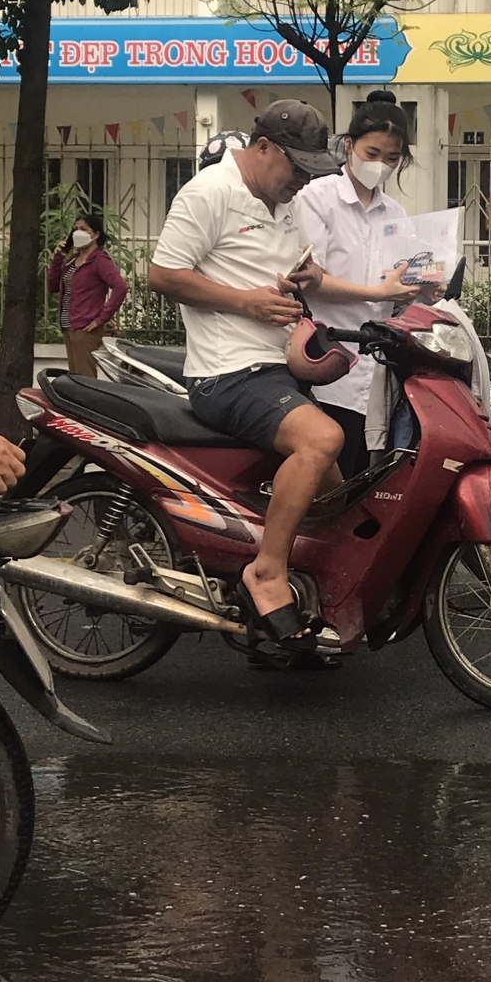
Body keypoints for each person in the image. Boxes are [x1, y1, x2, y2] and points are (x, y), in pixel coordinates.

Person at [148, 100, 346, 649]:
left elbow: (300, 270)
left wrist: (311, 279)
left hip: (278, 372)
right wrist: (246, 304)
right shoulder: (209, 192)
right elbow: (162, 275)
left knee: (339, 499)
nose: (304, 181)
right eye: (297, 168)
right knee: (323, 439)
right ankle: (266, 572)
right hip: (227, 373)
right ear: (263, 149)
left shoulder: (287, 204)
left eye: (312, 171)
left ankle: (298, 585)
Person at [297, 91, 425, 478]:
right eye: (372, 154)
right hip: (326, 360)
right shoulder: (316, 199)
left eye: (392, 158)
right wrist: (378, 294)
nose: (381, 165)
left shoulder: (396, 214)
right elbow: (309, 280)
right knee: (327, 478)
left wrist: (421, 288)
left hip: (377, 370)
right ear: (349, 146)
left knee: (364, 481)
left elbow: (396, 288)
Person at [47, 212, 128, 377]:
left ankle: (89, 404)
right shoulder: (73, 260)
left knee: (85, 378)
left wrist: (101, 318)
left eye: (83, 229)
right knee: (75, 378)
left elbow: (120, 287)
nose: (78, 233)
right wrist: (59, 257)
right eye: (75, 229)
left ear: (96, 234)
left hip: (85, 328)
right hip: (69, 326)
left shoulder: (99, 260)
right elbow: (52, 286)